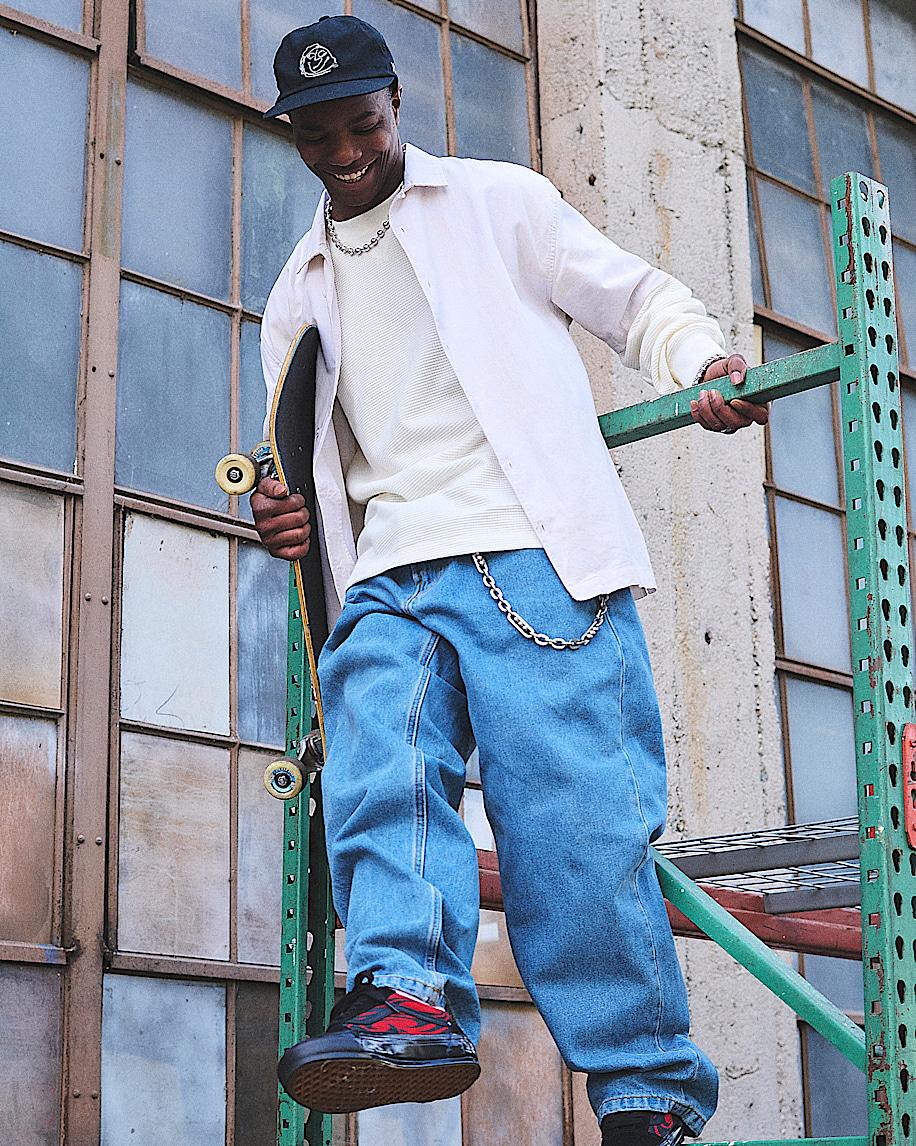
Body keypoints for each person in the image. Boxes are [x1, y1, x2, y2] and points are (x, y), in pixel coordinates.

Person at [251, 15, 767, 1145]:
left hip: (526, 555)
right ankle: (409, 1002)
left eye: (363, 124)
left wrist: (706, 364)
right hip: (386, 576)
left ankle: (642, 1093)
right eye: (319, 135)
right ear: (289, 134)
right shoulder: (292, 295)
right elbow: (310, 460)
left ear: (397, 106)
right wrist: (280, 508)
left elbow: (633, 298)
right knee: (379, 784)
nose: (346, 151)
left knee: (573, 828)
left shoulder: (498, 204)